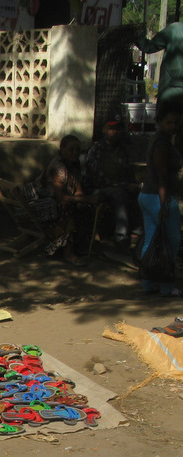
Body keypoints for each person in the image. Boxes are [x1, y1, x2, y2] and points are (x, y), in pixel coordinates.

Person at [25, 135, 102, 265]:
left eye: (77, 150)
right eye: (71, 149)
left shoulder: (75, 164)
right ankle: (67, 252)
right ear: (62, 150)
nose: (75, 153)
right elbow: (60, 197)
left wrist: (81, 199)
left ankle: (82, 246)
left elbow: (78, 189)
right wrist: (85, 199)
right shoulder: (58, 166)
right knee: (65, 207)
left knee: (86, 207)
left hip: (56, 200)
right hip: (40, 202)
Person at [137, 101, 182, 296]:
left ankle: (148, 283)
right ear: (160, 122)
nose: (173, 126)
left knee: (152, 240)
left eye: (176, 122)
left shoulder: (160, 140)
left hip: (148, 196)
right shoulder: (162, 144)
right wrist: (164, 205)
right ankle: (166, 286)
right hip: (158, 197)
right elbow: (162, 175)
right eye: (169, 122)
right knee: (171, 241)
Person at [84, 115, 143, 253]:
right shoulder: (97, 149)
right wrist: (124, 185)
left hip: (120, 186)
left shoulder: (123, 150)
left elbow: (129, 172)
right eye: (111, 128)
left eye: (117, 128)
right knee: (120, 194)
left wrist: (135, 185)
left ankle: (138, 233)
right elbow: (98, 179)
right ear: (104, 129)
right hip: (98, 188)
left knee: (142, 193)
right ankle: (121, 238)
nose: (115, 132)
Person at [137, 22, 183, 109]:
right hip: (172, 89)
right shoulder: (174, 30)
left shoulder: (174, 30)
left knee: (167, 115)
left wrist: (137, 34)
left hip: (170, 90)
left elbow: (148, 47)